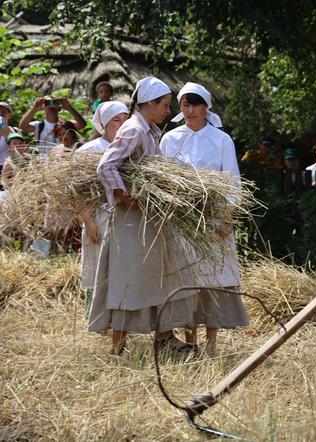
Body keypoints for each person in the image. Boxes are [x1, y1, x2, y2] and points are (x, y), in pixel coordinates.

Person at [89, 76, 198, 355]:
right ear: (149, 103)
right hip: (130, 222)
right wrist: (126, 197)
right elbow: (106, 166)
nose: (167, 111)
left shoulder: (150, 131)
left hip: (147, 221)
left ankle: (164, 337)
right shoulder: (134, 130)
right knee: (128, 279)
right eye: (164, 105)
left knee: (159, 275)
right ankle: (118, 347)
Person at [160, 82, 248, 356]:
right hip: (181, 220)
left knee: (213, 278)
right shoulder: (170, 139)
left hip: (213, 220)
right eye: (185, 104)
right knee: (186, 279)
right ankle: (189, 340)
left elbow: (232, 180)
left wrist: (226, 217)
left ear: (206, 107)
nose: (190, 110)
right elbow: (163, 182)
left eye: (195, 104)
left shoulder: (221, 140)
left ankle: (211, 342)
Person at [77, 101, 129, 316]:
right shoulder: (89, 151)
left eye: (126, 120)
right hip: (97, 217)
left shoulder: (130, 149)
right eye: (116, 120)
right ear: (104, 124)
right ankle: (95, 317)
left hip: (124, 218)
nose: (122, 124)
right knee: (97, 265)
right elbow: (77, 191)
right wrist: (89, 222)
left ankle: (118, 317)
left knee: (120, 268)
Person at [18, 96, 86, 155]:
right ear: (43, 109)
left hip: (64, 162)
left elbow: (82, 124)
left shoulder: (66, 124)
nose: (51, 106)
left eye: (54, 103)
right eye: (47, 103)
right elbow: (22, 126)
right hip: (45, 165)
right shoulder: (39, 126)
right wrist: (34, 108)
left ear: (59, 108)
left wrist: (68, 107)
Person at [0, 101, 20, 171]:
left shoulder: (16, 130)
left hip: (13, 168)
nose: (1, 114)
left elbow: (22, 149)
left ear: (9, 115)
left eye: (3, 112)